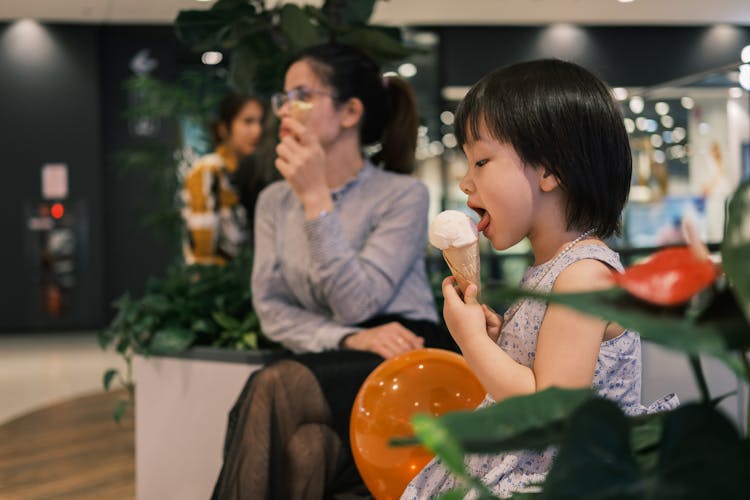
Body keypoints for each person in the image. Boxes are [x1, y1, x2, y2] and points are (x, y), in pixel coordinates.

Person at [402, 59, 679, 499]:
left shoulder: (585, 276)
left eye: (481, 160)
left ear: (550, 170)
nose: (466, 182)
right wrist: (497, 344)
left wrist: (470, 342)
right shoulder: (552, 271)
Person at [211, 43, 456, 500]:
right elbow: (272, 310)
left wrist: (316, 201)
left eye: (301, 94)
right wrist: (345, 338)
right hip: (333, 356)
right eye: (282, 98)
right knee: (307, 451)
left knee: (274, 384)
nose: (285, 110)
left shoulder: (402, 196)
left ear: (350, 113)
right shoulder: (273, 201)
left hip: (402, 356)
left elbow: (357, 303)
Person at [181, 92, 265, 265]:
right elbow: (202, 256)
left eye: (260, 122)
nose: (257, 131)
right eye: (248, 121)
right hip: (220, 284)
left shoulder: (249, 173)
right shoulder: (209, 170)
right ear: (224, 128)